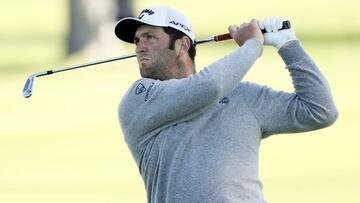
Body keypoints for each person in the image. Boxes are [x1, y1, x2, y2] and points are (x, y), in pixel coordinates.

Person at [115, 6, 338, 203]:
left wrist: (287, 43)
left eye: (149, 37)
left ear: (182, 46)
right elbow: (208, 87)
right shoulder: (139, 99)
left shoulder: (243, 96)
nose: (139, 47)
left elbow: (320, 110)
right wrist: (252, 46)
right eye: (137, 41)